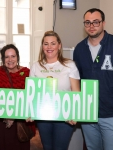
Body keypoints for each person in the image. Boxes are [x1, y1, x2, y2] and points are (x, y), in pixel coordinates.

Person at [29, 31, 80, 150]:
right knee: (47, 147)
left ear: (59, 45)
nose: (49, 47)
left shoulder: (69, 65)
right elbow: (32, 93)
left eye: (53, 43)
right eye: (46, 44)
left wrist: (75, 114)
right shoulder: (36, 66)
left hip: (65, 117)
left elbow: (76, 92)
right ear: (42, 46)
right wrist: (29, 111)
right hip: (44, 116)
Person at [73, 8, 113, 150]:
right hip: (87, 112)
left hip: (110, 114)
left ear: (103, 23)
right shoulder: (79, 49)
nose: (91, 26)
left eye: (96, 22)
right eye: (87, 22)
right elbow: (76, 81)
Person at [0, 44, 35, 150]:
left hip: (21, 122)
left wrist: (15, 115)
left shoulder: (28, 73)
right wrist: (7, 115)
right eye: (7, 57)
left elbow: (32, 96)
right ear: (3, 59)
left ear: (18, 57)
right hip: (3, 122)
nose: (10, 59)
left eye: (13, 56)